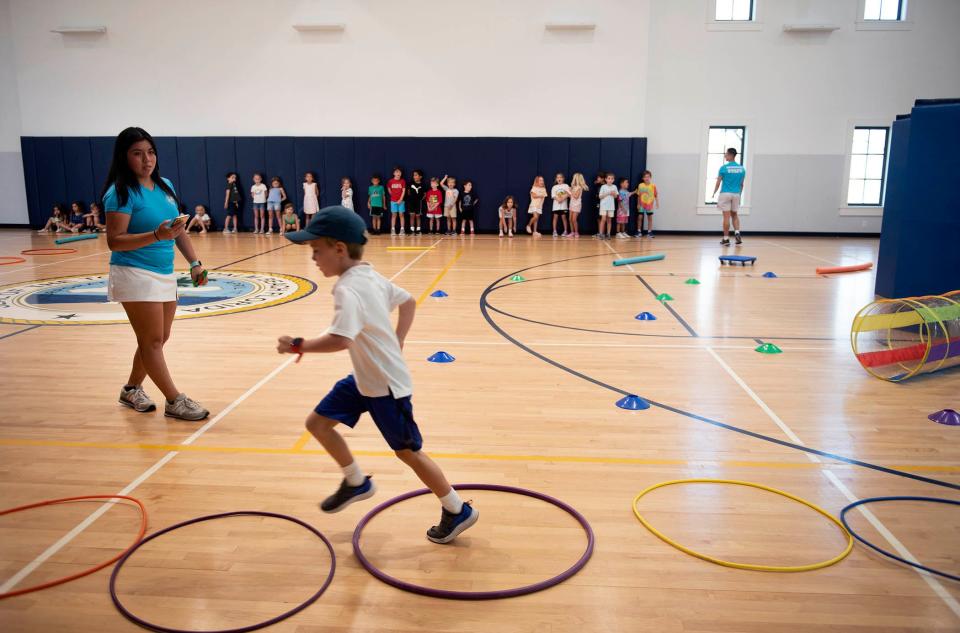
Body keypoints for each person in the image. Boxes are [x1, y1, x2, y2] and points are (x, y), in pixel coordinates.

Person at [278, 207, 479, 543]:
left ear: (339, 249)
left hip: (386, 387)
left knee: (407, 452)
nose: (313, 258)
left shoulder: (347, 289)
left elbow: (341, 340)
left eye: (316, 250)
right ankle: (356, 481)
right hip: (366, 379)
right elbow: (410, 301)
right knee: (317, 423)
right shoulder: (368, 275)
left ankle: (457, 509)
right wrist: (397, 340)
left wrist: (299, 345)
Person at [102, 126, 208, 421]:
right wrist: (156, 236)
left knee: (159, 337)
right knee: (152, 341)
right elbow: (115, 240)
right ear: (124, 158)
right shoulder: (119, 193)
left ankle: (132, 388)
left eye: (150, 152)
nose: (146, 159)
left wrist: (194, 262)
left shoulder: (165, 186)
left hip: (164, 271)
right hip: (133, 271)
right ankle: (174, 400)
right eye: (137, 153)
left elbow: (178, 230)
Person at [713, 148, 746, 245]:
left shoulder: (723, 168)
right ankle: (737, 233)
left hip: (725, 193)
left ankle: (726, 239)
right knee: (735, 215)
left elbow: (718, 182)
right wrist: (739, 195)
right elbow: (741, 184)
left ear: (731, 155)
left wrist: (714, 192)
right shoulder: (742, 169)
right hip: (736, 194)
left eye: (726, 154)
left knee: (726, 217)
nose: (725, 156)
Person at [636, 170, 659, 238]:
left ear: (650, 177)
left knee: (650, 218)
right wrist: (638, 204)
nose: (647, 178)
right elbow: (639, 195)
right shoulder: (640, 185)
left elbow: (656, 195)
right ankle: (639, 231)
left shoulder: (653, 186)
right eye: (645, 177)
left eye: (648, 177)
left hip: (649, 205)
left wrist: (657, 203)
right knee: (640, 217)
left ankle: (649, 232)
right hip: (641, 205)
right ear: (643, 178)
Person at [597, 172, 617, 240]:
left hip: (611, 206)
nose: (610, 180)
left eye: (612, 179)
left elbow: (616, 196)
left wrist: (613, 194)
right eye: (609, 178)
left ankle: (608, 234)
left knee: (609, 220)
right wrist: (608, 193)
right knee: (603, 219)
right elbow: (600, 197)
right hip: (603, 206)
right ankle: (601, 233)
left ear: (613, 180)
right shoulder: (603, 186)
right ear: (606, 179)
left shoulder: (614, 187)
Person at [387, 167, 407, 236]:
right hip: (393, 201)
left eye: (399, 172)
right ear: (394, 173)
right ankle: (393, 229)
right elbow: (389, 189)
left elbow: (404, 191)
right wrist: (393, 196)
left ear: (401, 173)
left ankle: (402, 229)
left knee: (401, 215)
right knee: (394, 215)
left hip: (401, 201)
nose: (398, 173)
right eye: (396, 172)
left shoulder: (403, 181)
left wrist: (401, 199)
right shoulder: (390, 181)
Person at [550, 173, 571, 237]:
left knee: (564, 218)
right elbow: (553, 195)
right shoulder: (554, 187)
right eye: (558, 177)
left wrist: (563, 198)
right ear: (556, 179)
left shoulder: (566, 186)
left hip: (563, 206)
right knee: (555, 217)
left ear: (563, 179)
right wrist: (558, 199)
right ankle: (554, 231)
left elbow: (569, 194)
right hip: (556, 206)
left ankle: (565, 231)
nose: (559, 179)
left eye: (561, 177)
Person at [405, 169, 425, 234]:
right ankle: (412, 229)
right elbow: (408, 192)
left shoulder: (423, 185)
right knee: (412, 216)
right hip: (411, 202)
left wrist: (420, 200)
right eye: (414, 175)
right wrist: (410, 198)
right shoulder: (410, 183)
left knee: (418, 216)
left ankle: (418, 229)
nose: (414, 176)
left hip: (418, 203)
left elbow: (425, 194)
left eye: (416, 175)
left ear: (420, 177)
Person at [568, 173, 587, 239]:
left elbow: (576, 196)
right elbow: (571, 196)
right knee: (570, 219)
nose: (574, 179)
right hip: (571, 204)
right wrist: (569, 192)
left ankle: (576, 232)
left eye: (575, 178)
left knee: (574, 219)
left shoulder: (579, 188)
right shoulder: (574, 187)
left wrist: (570, 191)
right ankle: (572, 232)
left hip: (577, 205)